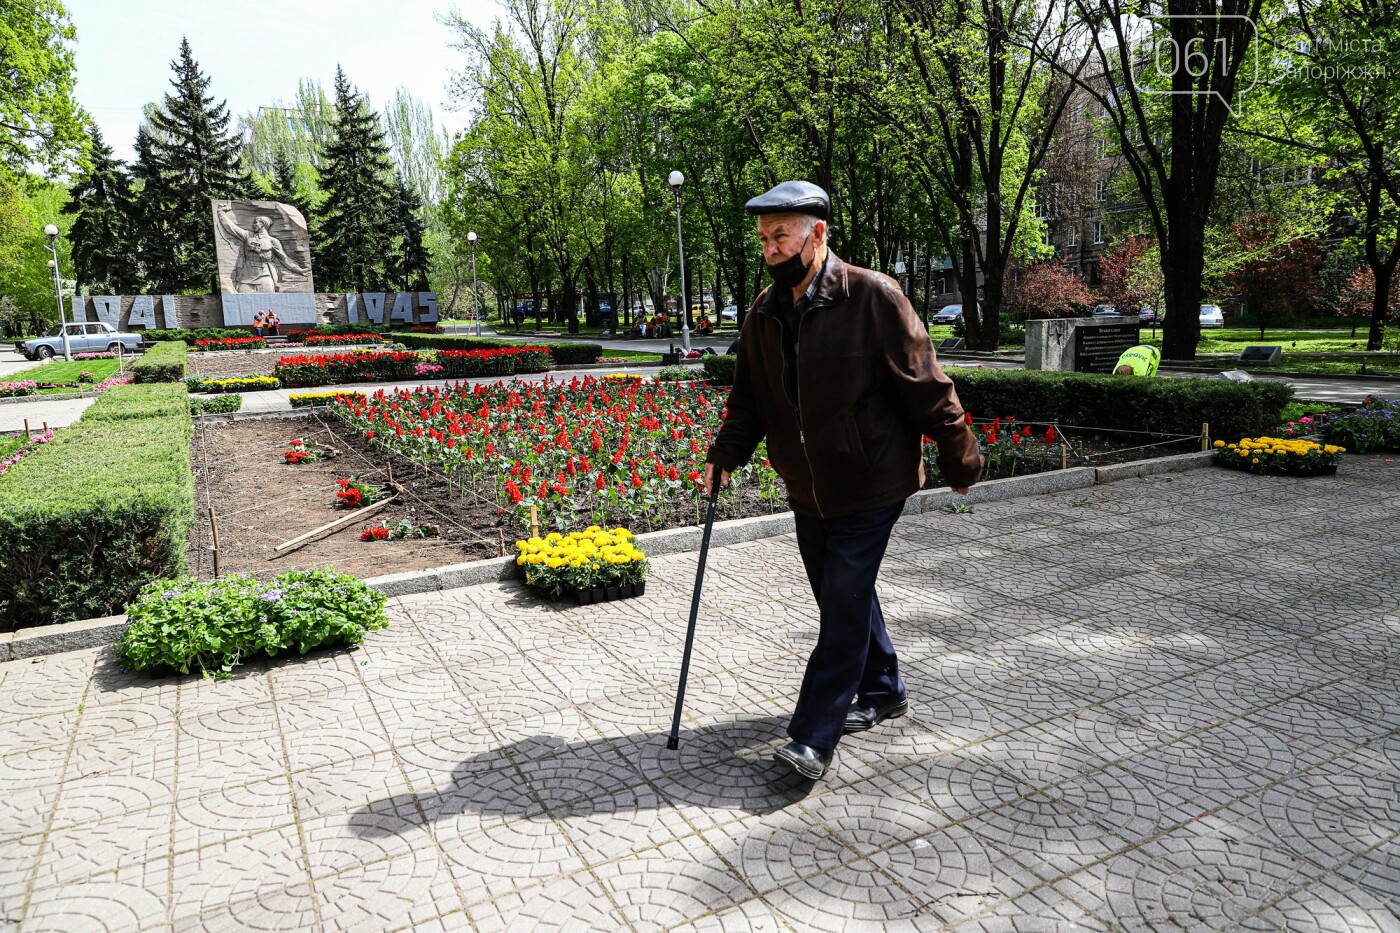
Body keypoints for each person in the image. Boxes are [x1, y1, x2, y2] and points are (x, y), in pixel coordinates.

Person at [704, 181, 983, 781]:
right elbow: (749, 400)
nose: (771, 249)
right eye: (764, 239)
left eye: (782, 236)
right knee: (844, 595)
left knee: (842, 606)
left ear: (818, 234)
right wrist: (724, 456)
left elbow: (927, 386)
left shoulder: (874, 297)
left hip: (870, 479)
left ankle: (812, 736)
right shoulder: (763, 313)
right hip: (808, 486)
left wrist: (961, 460)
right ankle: (883, 689)